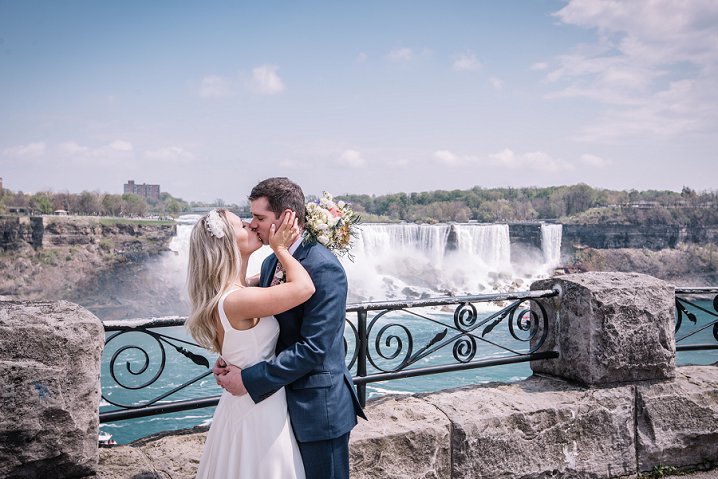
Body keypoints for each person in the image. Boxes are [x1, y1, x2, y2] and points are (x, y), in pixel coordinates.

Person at [214, 177, 366, 479]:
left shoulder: (322, 266)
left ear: (285, 218)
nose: (253, 224)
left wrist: (249, 378)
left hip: (317, 412)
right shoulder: (272, 262)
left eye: (259, 217)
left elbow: (314, 348)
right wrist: (233, 358)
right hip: (278, 409)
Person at [186, 207, 312, 479]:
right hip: (260, 411)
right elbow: (304, 288)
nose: (251, 226)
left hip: (245, 402)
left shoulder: (234, 292)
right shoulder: (237, 301)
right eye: (242, 226)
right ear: (228, 244)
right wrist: (281, 250)